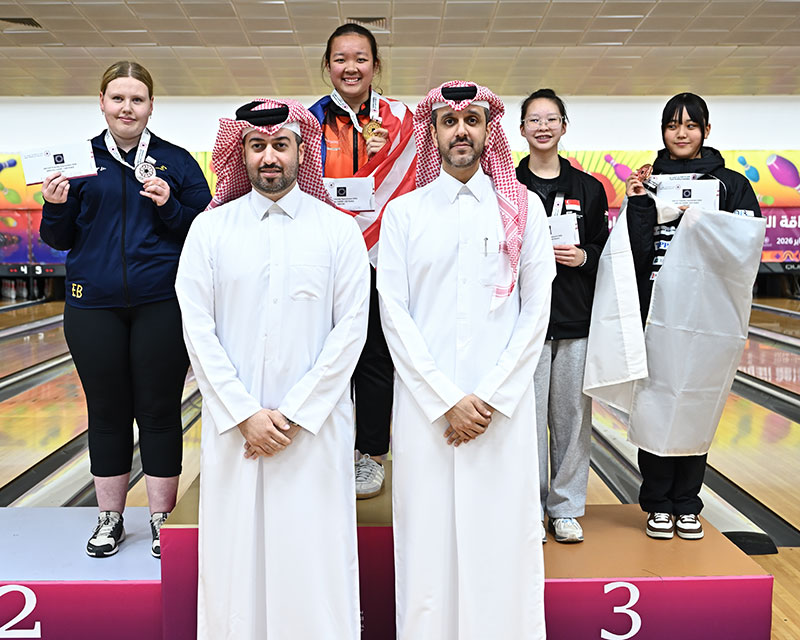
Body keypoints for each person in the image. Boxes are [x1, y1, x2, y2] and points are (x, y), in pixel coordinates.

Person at [175, 99, 369, 640]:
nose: (269, 157)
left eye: (281, 145)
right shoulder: (209, 230)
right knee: (235, 559)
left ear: (301, 151)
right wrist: (244, 414)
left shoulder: (338, 231)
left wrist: (295, 414)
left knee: (314, 558)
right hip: (236, 431)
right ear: (240, 153)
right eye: (257, 146)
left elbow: (351, 329)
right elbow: (198, 329)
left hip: (314, 431)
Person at [378, 81, 555, 640]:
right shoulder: (403, 214)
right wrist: (445, 399)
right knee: (425, 542)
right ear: (432, 133)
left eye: (472, 121)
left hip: (499, 414)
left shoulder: (523, 208)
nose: (461, 131)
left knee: (502, 541)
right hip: (426, 414)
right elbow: (394, 314)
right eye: (449, 122)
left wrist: (490, 397)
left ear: (487, 130)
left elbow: (536, 312)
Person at [39, 61, 211, 559]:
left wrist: (170, 205)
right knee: (107, 412)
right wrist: (55, 205)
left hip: (161, 303)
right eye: (118, 98)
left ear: (151, 106)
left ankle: (161, 520)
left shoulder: (176, 162)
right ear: (102, 102)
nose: (127, 108)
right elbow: (57, 240)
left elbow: (206, 229)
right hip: (92, 305)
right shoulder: (78, 163)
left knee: (159, 411)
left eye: (137, 99)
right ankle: (109, 519)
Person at [587, 92, 763, 541]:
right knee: (657, 403)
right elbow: (635, 251)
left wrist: (700, 220)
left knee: (697, 405)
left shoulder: (732, 184)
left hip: (710, 311)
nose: (681, 133)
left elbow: (746, 245)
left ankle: (687, 502)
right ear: (663, 130)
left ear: (706, 130)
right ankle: (657, 502)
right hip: (657, 309)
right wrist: (640, 204)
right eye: (672, 125)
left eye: (690, 125)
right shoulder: (649, 182)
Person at [309, 23, 416, 499]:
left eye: (360, 58)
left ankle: (370, 454)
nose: (350, 67)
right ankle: (327, 449)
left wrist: (384, 152)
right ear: (327, 65)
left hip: (381, 255)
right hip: (327, 254)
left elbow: (415, 182)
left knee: (374, 356)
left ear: (375, 65)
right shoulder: (310, 120)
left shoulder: (399, 119)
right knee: (325, 354)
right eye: (340, 59)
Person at [515, 88, 609, 544]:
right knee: (527, 421)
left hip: (574, 319)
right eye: (534, 119)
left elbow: (604, 249)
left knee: (572, 418)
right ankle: (529, 507)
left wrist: (583, 256)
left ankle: (566, 508)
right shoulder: (506, 187)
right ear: (521, 129)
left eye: (551, 119)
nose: (543, 127)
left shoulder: (589, 189)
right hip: (523, 326)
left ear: (564, 126)